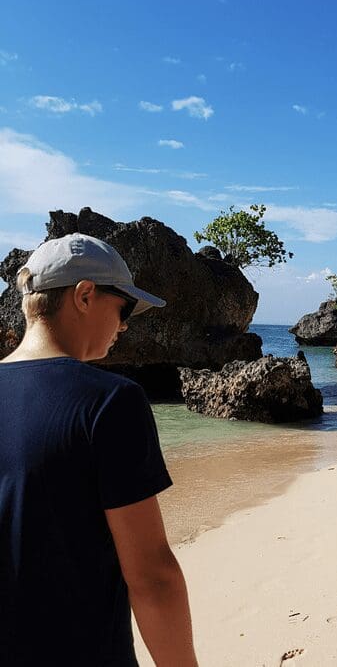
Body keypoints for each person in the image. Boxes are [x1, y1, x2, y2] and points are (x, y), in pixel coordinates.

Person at [0, 234, 198, 667]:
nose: (125, 325)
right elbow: (152, 577)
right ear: (85, 295)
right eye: (123, 309)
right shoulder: (109, 402)